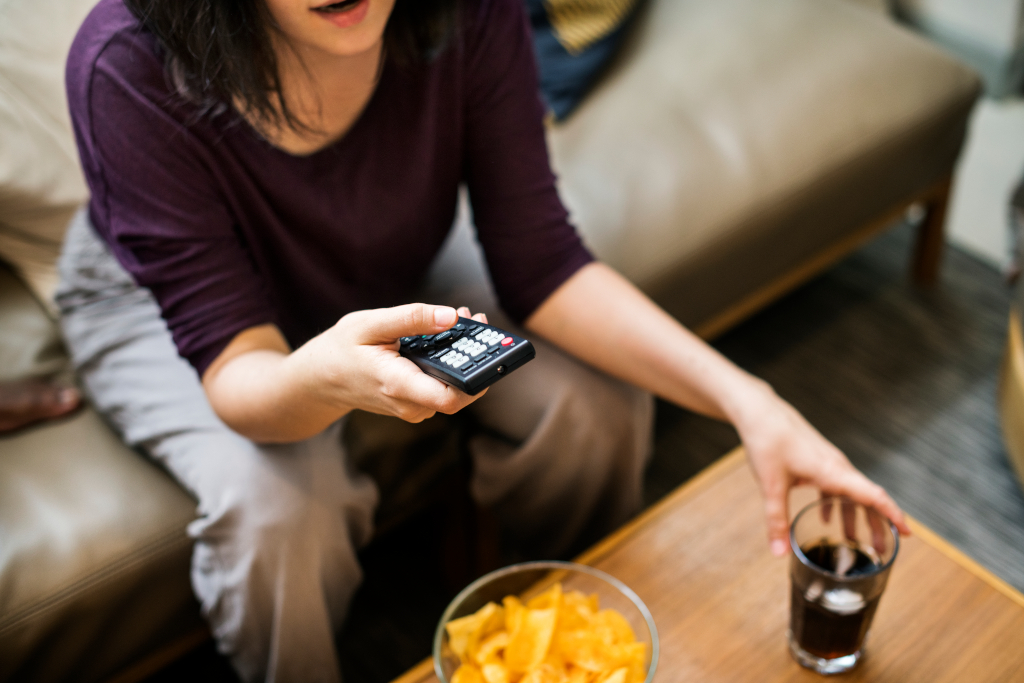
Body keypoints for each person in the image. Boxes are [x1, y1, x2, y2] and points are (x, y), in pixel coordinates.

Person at [59, 0, 910, 680]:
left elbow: (544, 263)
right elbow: (241, 373)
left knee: (594, 402)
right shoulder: (126, 65)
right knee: (281, 514)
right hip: (177, 314)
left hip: (384, 252)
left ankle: (550, 630)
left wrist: (752, 403)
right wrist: (321, 378)